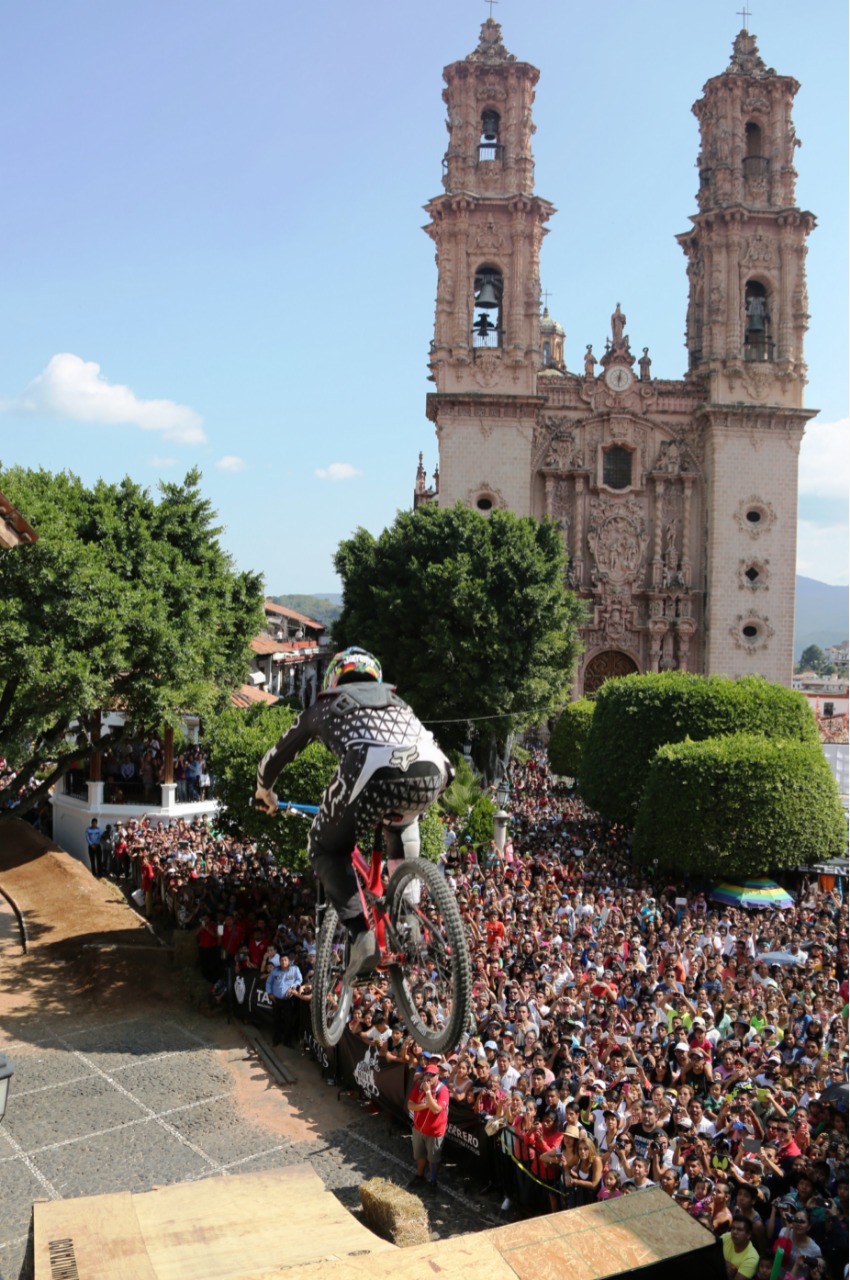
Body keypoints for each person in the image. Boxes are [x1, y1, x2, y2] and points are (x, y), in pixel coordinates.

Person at [256, 648, 452, 984]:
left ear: (334, 678)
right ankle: (409, 915)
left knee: (325, 848)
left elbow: (273, 758)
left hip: (369, 770)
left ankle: (361, 934)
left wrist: (265, 792)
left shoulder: (323, 707)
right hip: (434, 769)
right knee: (403, 818)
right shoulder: (400, 703)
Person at [408, 1062, 449, 1193]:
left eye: (432, 1075)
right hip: (419, 1128)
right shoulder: (419, 1086)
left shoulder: (443, 1090)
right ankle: (419, 1176)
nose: (429, 1078)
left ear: (437, 1076)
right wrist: (425, 1106)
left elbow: (437, 1109)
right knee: (419, 1154)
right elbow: (410, 1105)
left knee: (433, 1158)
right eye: (427, 1074)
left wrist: (428, 1093)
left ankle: (433, 1181)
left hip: (434, 1131)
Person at [265, 953, 303, 1047]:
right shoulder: (275, 971)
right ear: (279, 961)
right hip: (276, 1000)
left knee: (288, 1021)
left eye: (285, 960)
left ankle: (287, 1041)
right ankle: (276, 1039)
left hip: (288, 1000)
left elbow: (299, 980)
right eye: (281, 960)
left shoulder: (295, 969)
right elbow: (269, 982)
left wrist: (293, 987)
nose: (283, 962)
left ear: (289, 961)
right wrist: (269, 993)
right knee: (276, 1020)